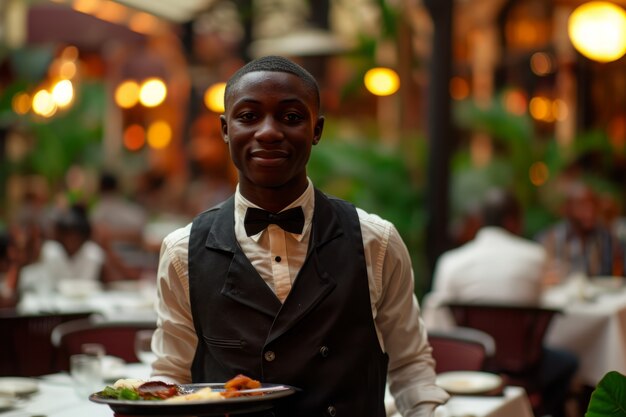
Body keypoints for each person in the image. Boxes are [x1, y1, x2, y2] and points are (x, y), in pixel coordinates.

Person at [150, 56, 449, 417]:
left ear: (316, 130)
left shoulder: (376, 241)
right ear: (225, 129)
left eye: (291, 117)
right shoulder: (183, 252)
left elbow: (410, 365)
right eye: (248, 116)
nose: (269, 132)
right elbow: (170, 376)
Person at [423, 188, 578, 417]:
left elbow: (438, 320)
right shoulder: (534, 256)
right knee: (569, 363)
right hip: (525, 367)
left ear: (481, 220)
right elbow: (541, 301)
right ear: (513, 221)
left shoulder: (451, 262)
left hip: (469, 367)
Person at [536, 181, 625, 279]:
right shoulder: (549, 239)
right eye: (582, 206)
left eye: (593, 205)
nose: (589, 212)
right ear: (568, 208)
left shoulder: (606, 239)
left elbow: (618, 273)